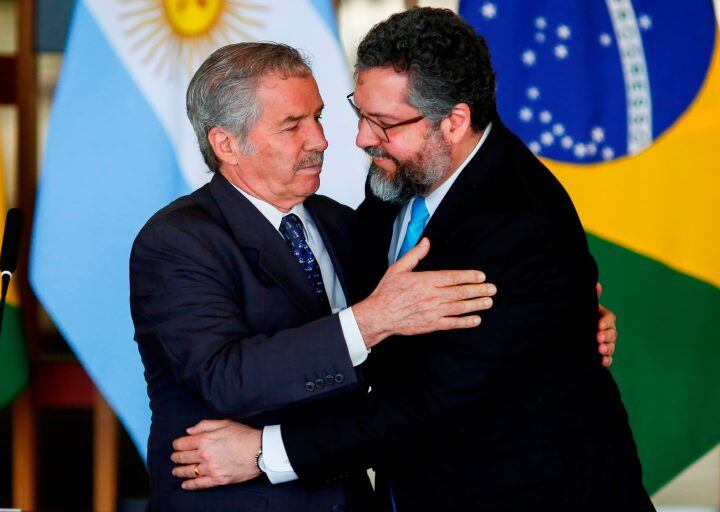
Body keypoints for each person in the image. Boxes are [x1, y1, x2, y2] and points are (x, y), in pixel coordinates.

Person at [169, 8, 649, 512]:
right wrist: (564, 321)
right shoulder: (406, 175)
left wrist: (267, 453)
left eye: (383, 123)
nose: (358, 138)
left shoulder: (518, 223)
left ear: (454, 121)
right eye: (360, 113)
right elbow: (345, 305)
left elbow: (433, 402)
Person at [129, 41, 502, 512]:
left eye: (318, 117)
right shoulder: (178, 240)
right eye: (292, 125)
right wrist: (369, 321)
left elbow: (421, 315)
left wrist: (557, 315)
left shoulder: (343, 223)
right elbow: (224, 378)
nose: (320, 140)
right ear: (226, 143)